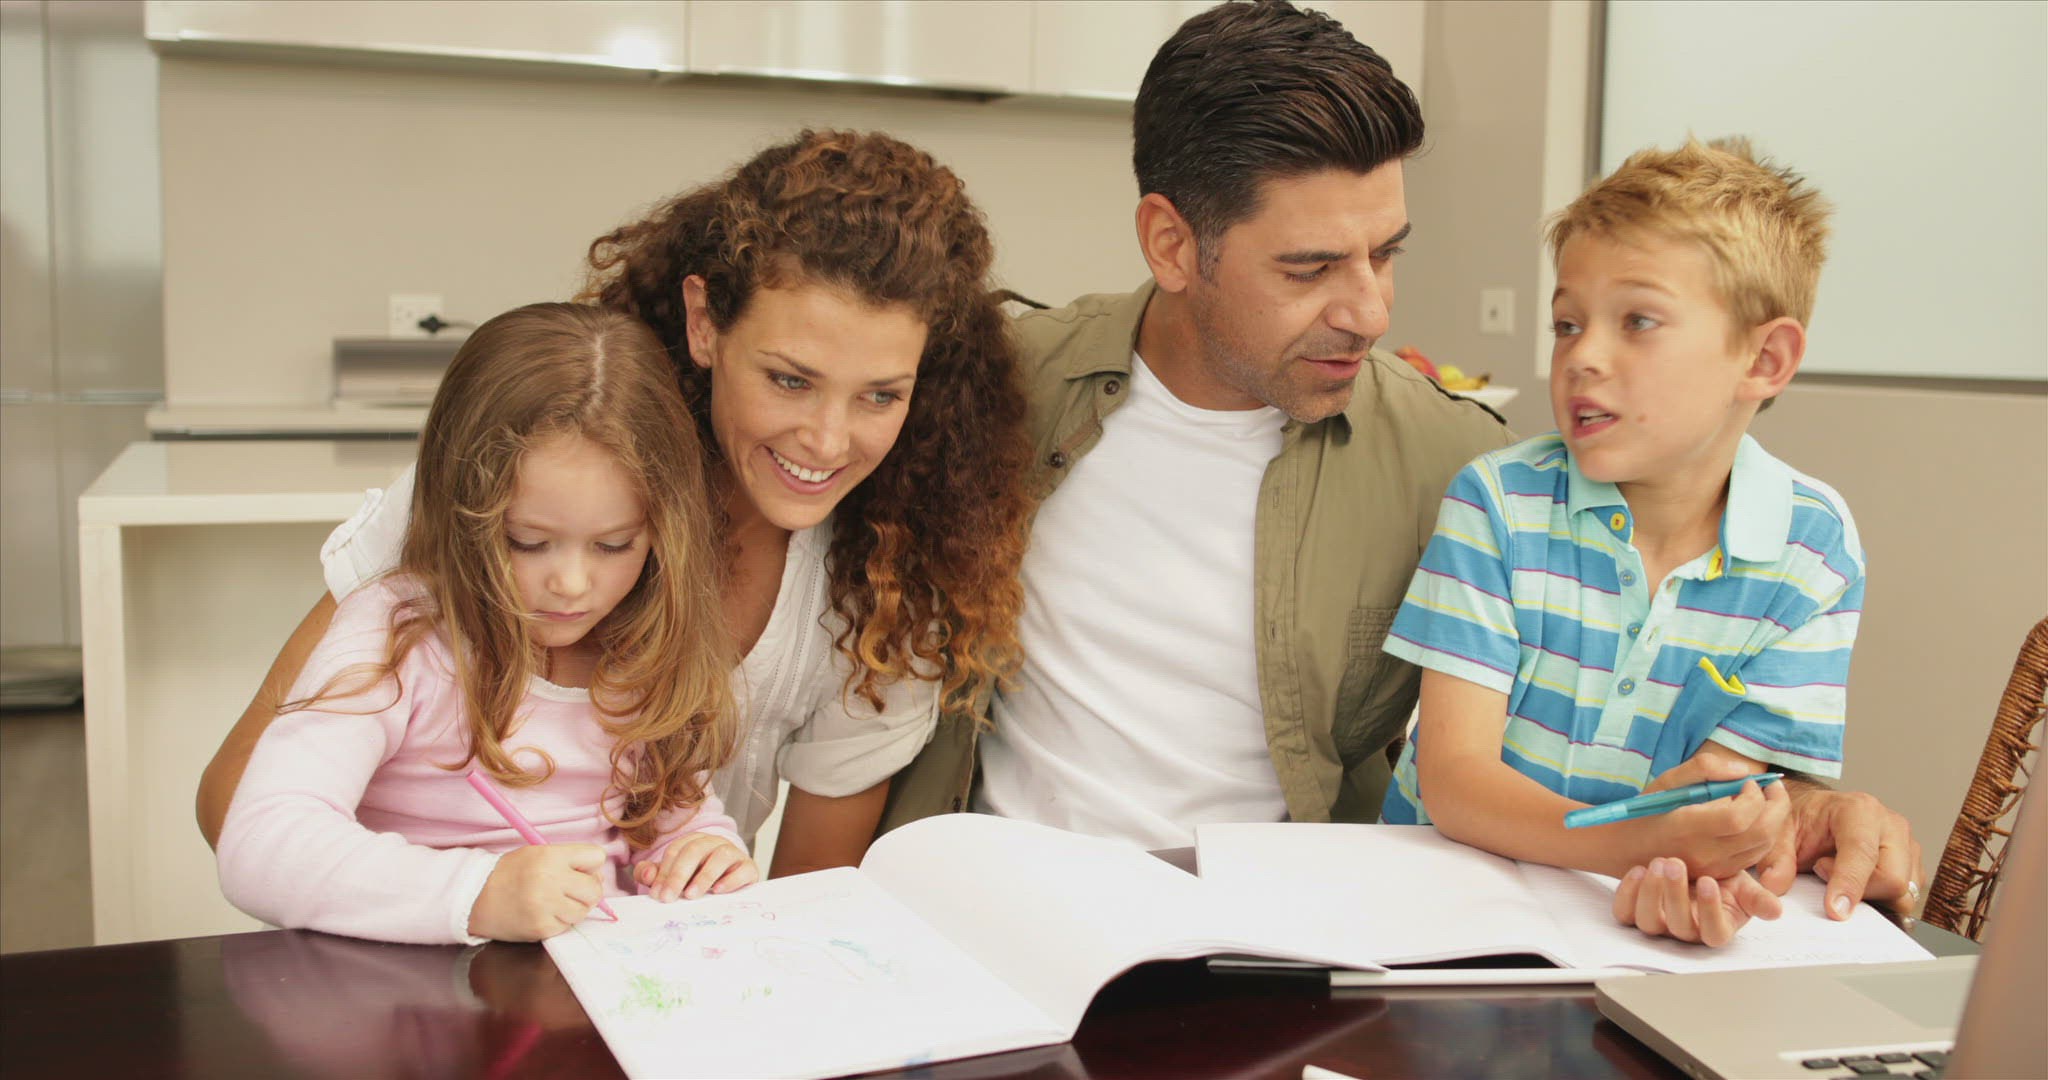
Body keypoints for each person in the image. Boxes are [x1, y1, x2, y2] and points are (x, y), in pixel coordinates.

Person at [880, 1, 1924, 923]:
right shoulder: (987, 387)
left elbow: (1643, 670)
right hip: (997, 912)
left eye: (1385, 254)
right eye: (1311, 268)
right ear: (1171, 244)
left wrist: (1809, 807)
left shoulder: (1464, 464)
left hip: (1279, 941)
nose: (1372, 311)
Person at [199, 131, 1034, 876]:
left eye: (880, 395)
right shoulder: (521, 471)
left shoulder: (891, 593)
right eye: (789, 380)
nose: (825, 440)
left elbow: (800, 902)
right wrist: (473, 900)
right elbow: (237, 805)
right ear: (704, 322)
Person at [1379, 138, 1867, 946]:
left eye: (1637, 321)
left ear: (1765, 358)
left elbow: (1722, 804)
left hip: (1619, 930)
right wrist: (1638, 844)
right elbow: (1456, 783)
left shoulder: (1814, 550)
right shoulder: (1498, 501)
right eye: (1567, 324)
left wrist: (1695, 877)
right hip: (1431, 912)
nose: (1583, 357)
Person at [218, 303, 755, 944]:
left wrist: (704, 853)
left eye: (614, 545)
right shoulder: (398, 638)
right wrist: (476, 893)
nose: (572, 583)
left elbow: (674, 826)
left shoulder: (643, 645)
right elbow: (259, 845)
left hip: (593, 982)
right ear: (460, 512)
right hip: (416, 986)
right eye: (527, 542)